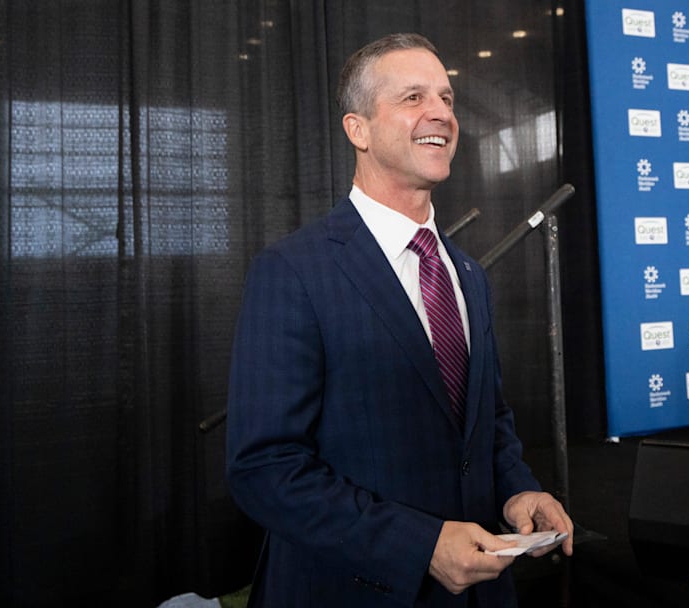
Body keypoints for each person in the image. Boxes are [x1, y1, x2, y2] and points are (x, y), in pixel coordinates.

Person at [225, 32, 573, 607]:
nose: (441, 113)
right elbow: (264, 468)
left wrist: (517, 491)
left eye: (446, 98)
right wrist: (420, 546)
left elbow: (487, 423)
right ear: (357, 130)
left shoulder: (468, 275)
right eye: (413, 97)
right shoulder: (291, 271)